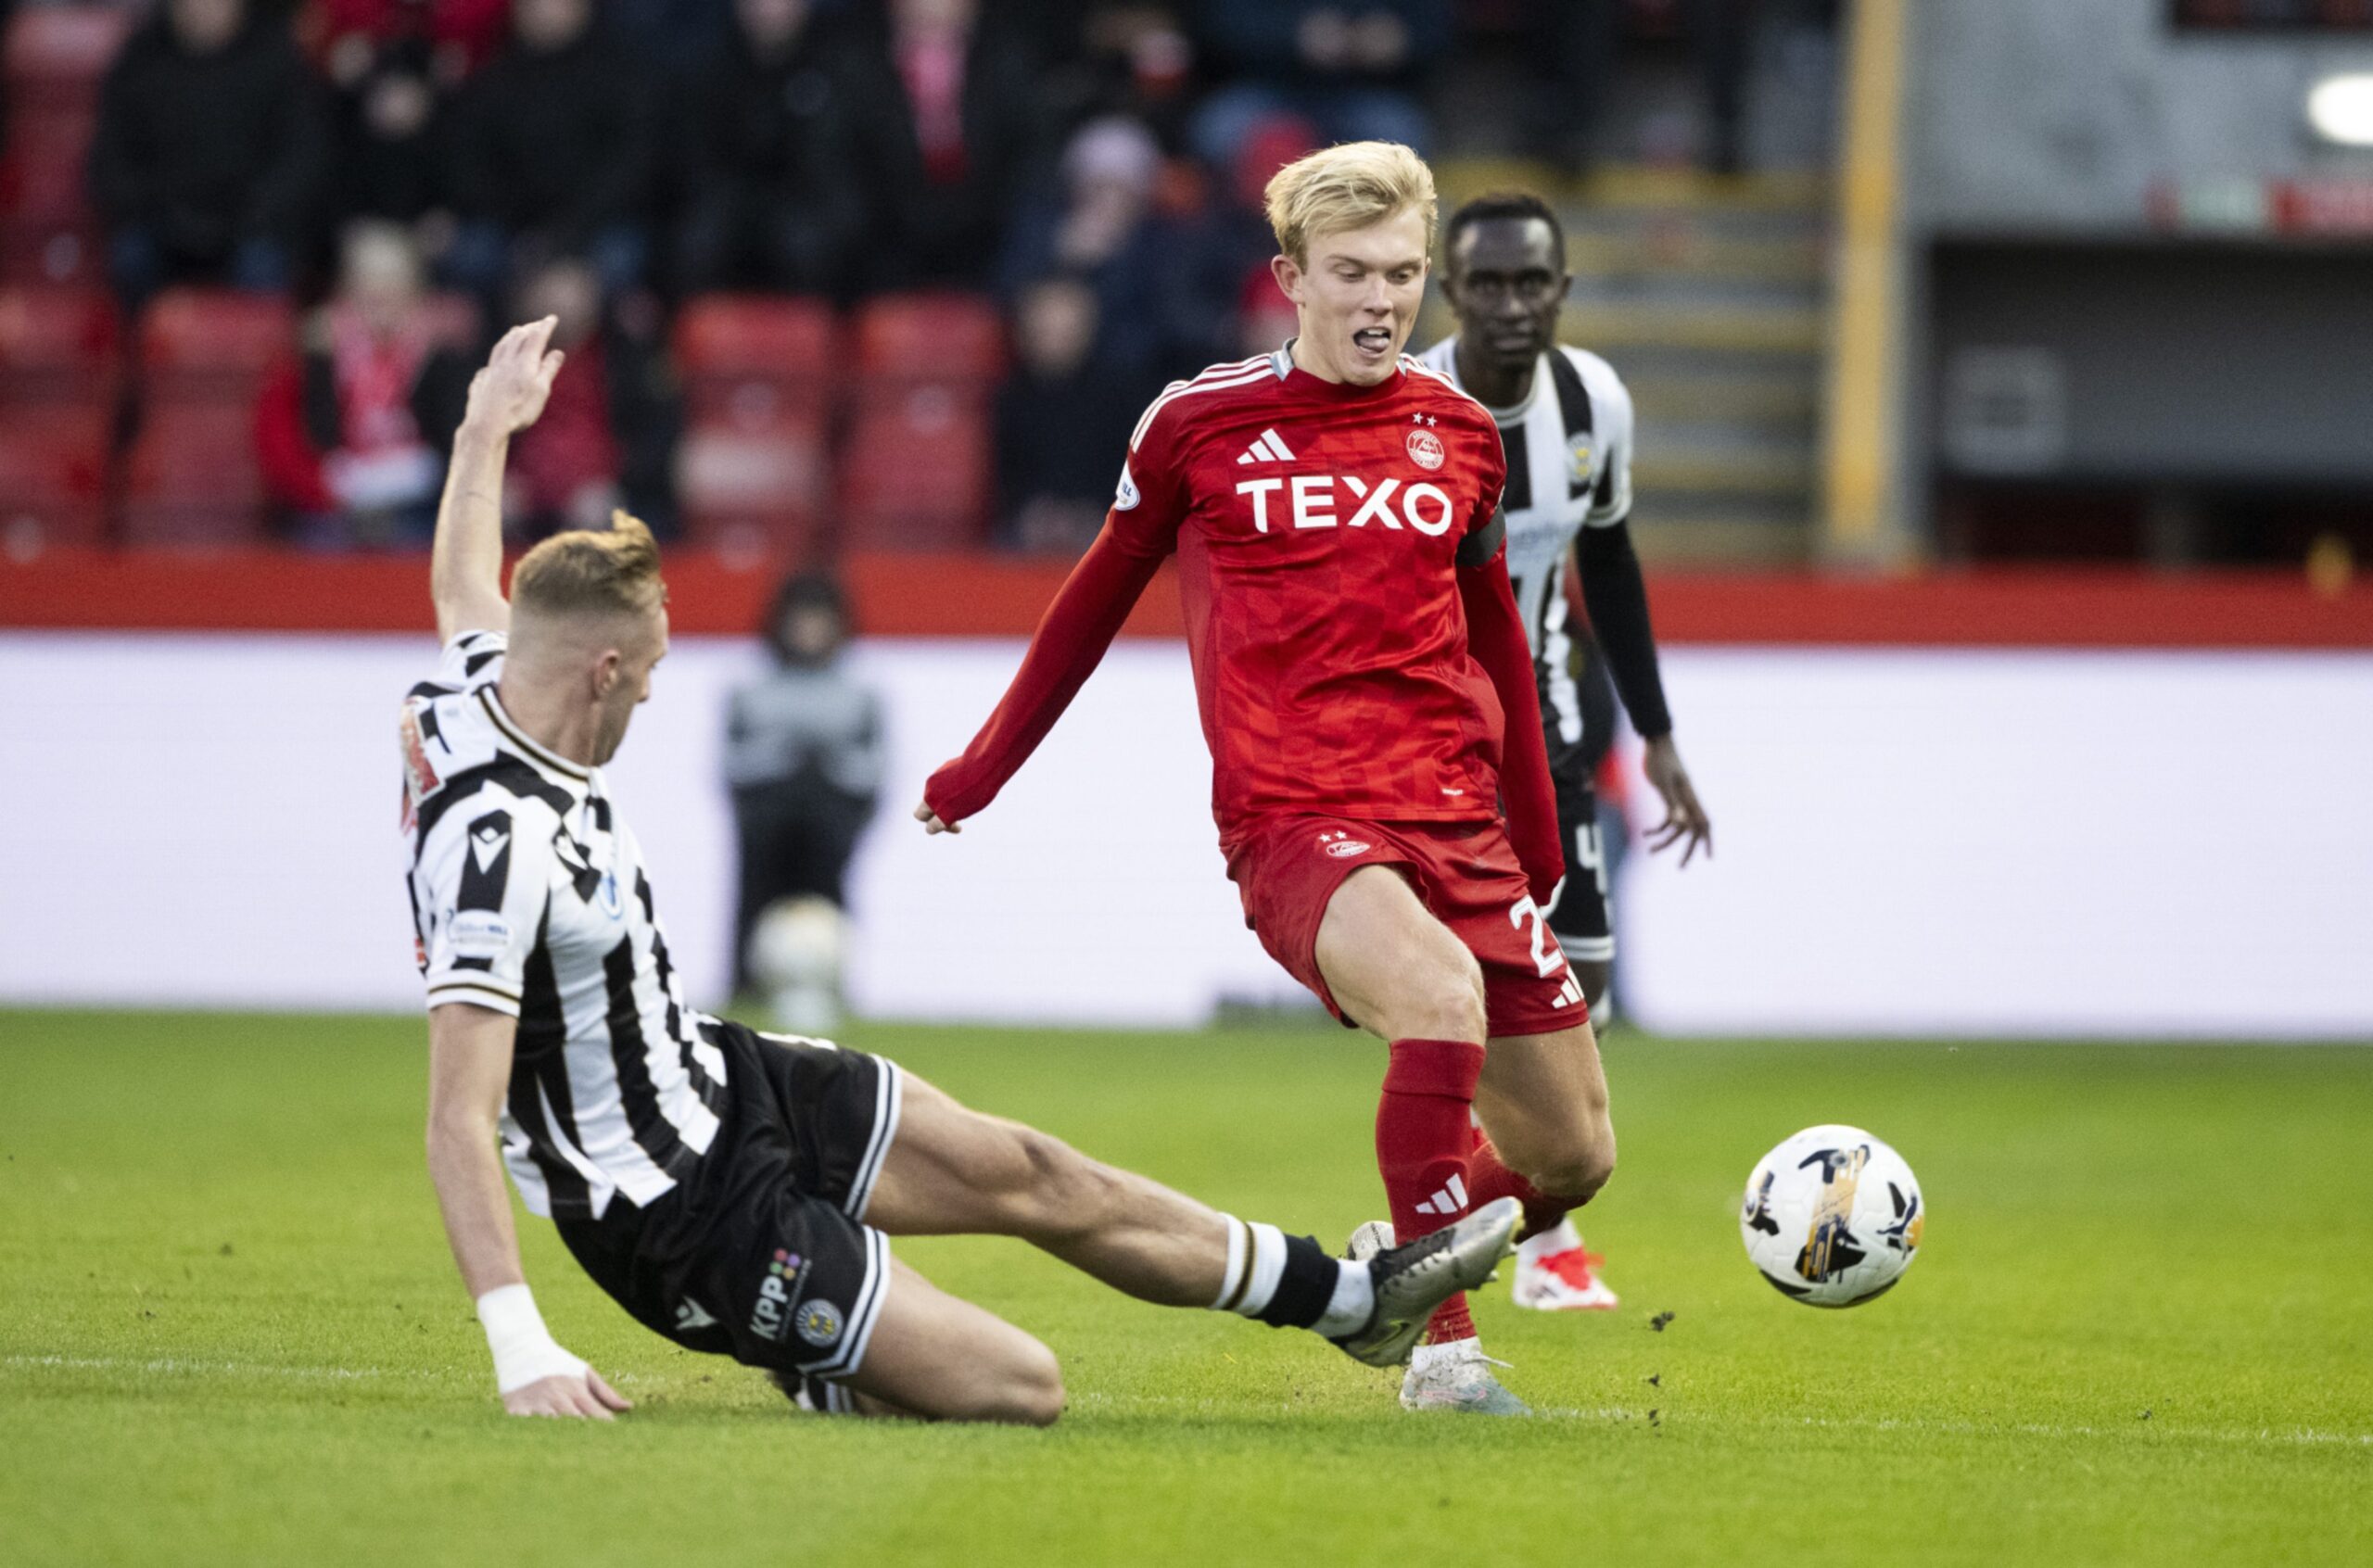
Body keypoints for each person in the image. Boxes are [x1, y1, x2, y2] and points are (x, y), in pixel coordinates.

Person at [404, 318, 1516, 1423]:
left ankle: (1352, 1301)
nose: (651, 693)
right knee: (1018, 1387)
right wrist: (521, 1350)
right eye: (646, 671)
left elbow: (464, 581)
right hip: (676, 1212)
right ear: (600, 669)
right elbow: (460, 1116)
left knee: (1035, 1172)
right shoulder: (500, 845)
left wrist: (483, 427)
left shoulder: (486, 690)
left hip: (729, 1080)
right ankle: (815, 1353)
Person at [919, 142, 1613, 1416]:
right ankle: (1444, 1354)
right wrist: (980, 770)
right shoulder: (1200, 427)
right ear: (1290, 277)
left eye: (1403, 276)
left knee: (1572, 1155)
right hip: (1301, 823)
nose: (1381, 301)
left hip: (1457, 821)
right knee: (1437, 998)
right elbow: (1089, 606)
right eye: (1351, 272)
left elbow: (1498, 640)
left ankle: (1402, 1240)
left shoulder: (1459, 435)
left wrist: (1538, 828)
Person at [1408, 191, 1711, 1316]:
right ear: (1452, 293)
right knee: (1447, 997)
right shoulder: (1410, 406)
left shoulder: (1594, 401)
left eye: (1530, 282)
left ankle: (1527, 1221)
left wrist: (1661, 736)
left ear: (1563, 290)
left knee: (1574, 984)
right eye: (1485, 283)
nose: (1510, 304)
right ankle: (1455, 1237)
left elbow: (1613, 564)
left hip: (1547, 722)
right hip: (1428, 733)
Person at [86, 0, 324, 307]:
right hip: (160, 221)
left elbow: (303, 155)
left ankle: (252, 354)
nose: (201, 8)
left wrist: (256, 209)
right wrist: (153, 208)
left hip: (251, 224)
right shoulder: (140, 58)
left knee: (263, 265)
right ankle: (139, 353)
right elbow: (109, 157)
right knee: (131, 257)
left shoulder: (276, 58)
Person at [725, 571, 884, 1018]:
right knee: (754, 903)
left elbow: (873, 769)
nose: (810, 630)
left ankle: (833, 986)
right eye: (801, 618)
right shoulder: (751, 691)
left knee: (830, 904)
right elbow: (732, 763)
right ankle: (746, 989)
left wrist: (825, 766)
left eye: (820, 619)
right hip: (766, 821)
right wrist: (787, 758)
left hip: (831, 821)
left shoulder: (859, 696)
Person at [255, 221, 472, 548]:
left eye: (393, 279)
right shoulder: (314, 351)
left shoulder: (443, 353)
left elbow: (460, 447)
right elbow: (284, 444)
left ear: (415, 288)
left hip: (419, 509)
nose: (380, 292)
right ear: (346, 287)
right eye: (369, 279)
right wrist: (331, 490)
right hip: (330, 511)